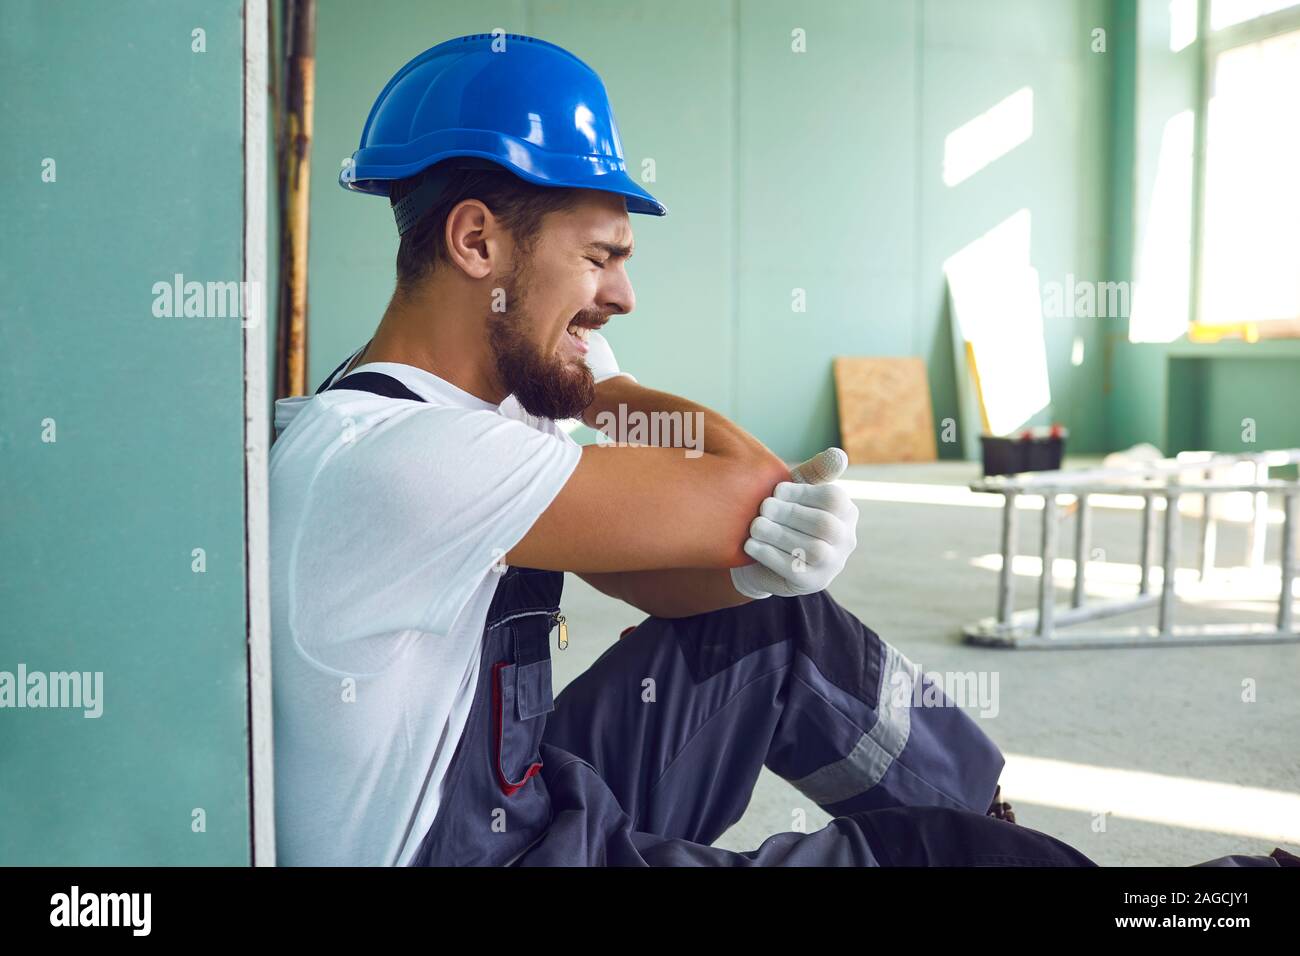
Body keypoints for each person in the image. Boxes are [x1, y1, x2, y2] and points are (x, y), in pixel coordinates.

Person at [268, 33, 1292, 869]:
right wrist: (608, 390)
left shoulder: (459, 414)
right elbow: (752, 491)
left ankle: (994, 821)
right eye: (600, 257)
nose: (623, 294)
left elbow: (684, 592)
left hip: (533, 797)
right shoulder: (402, 458)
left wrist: (599, 388)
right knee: (928, 862)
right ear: (478, 243)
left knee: (773, 627)